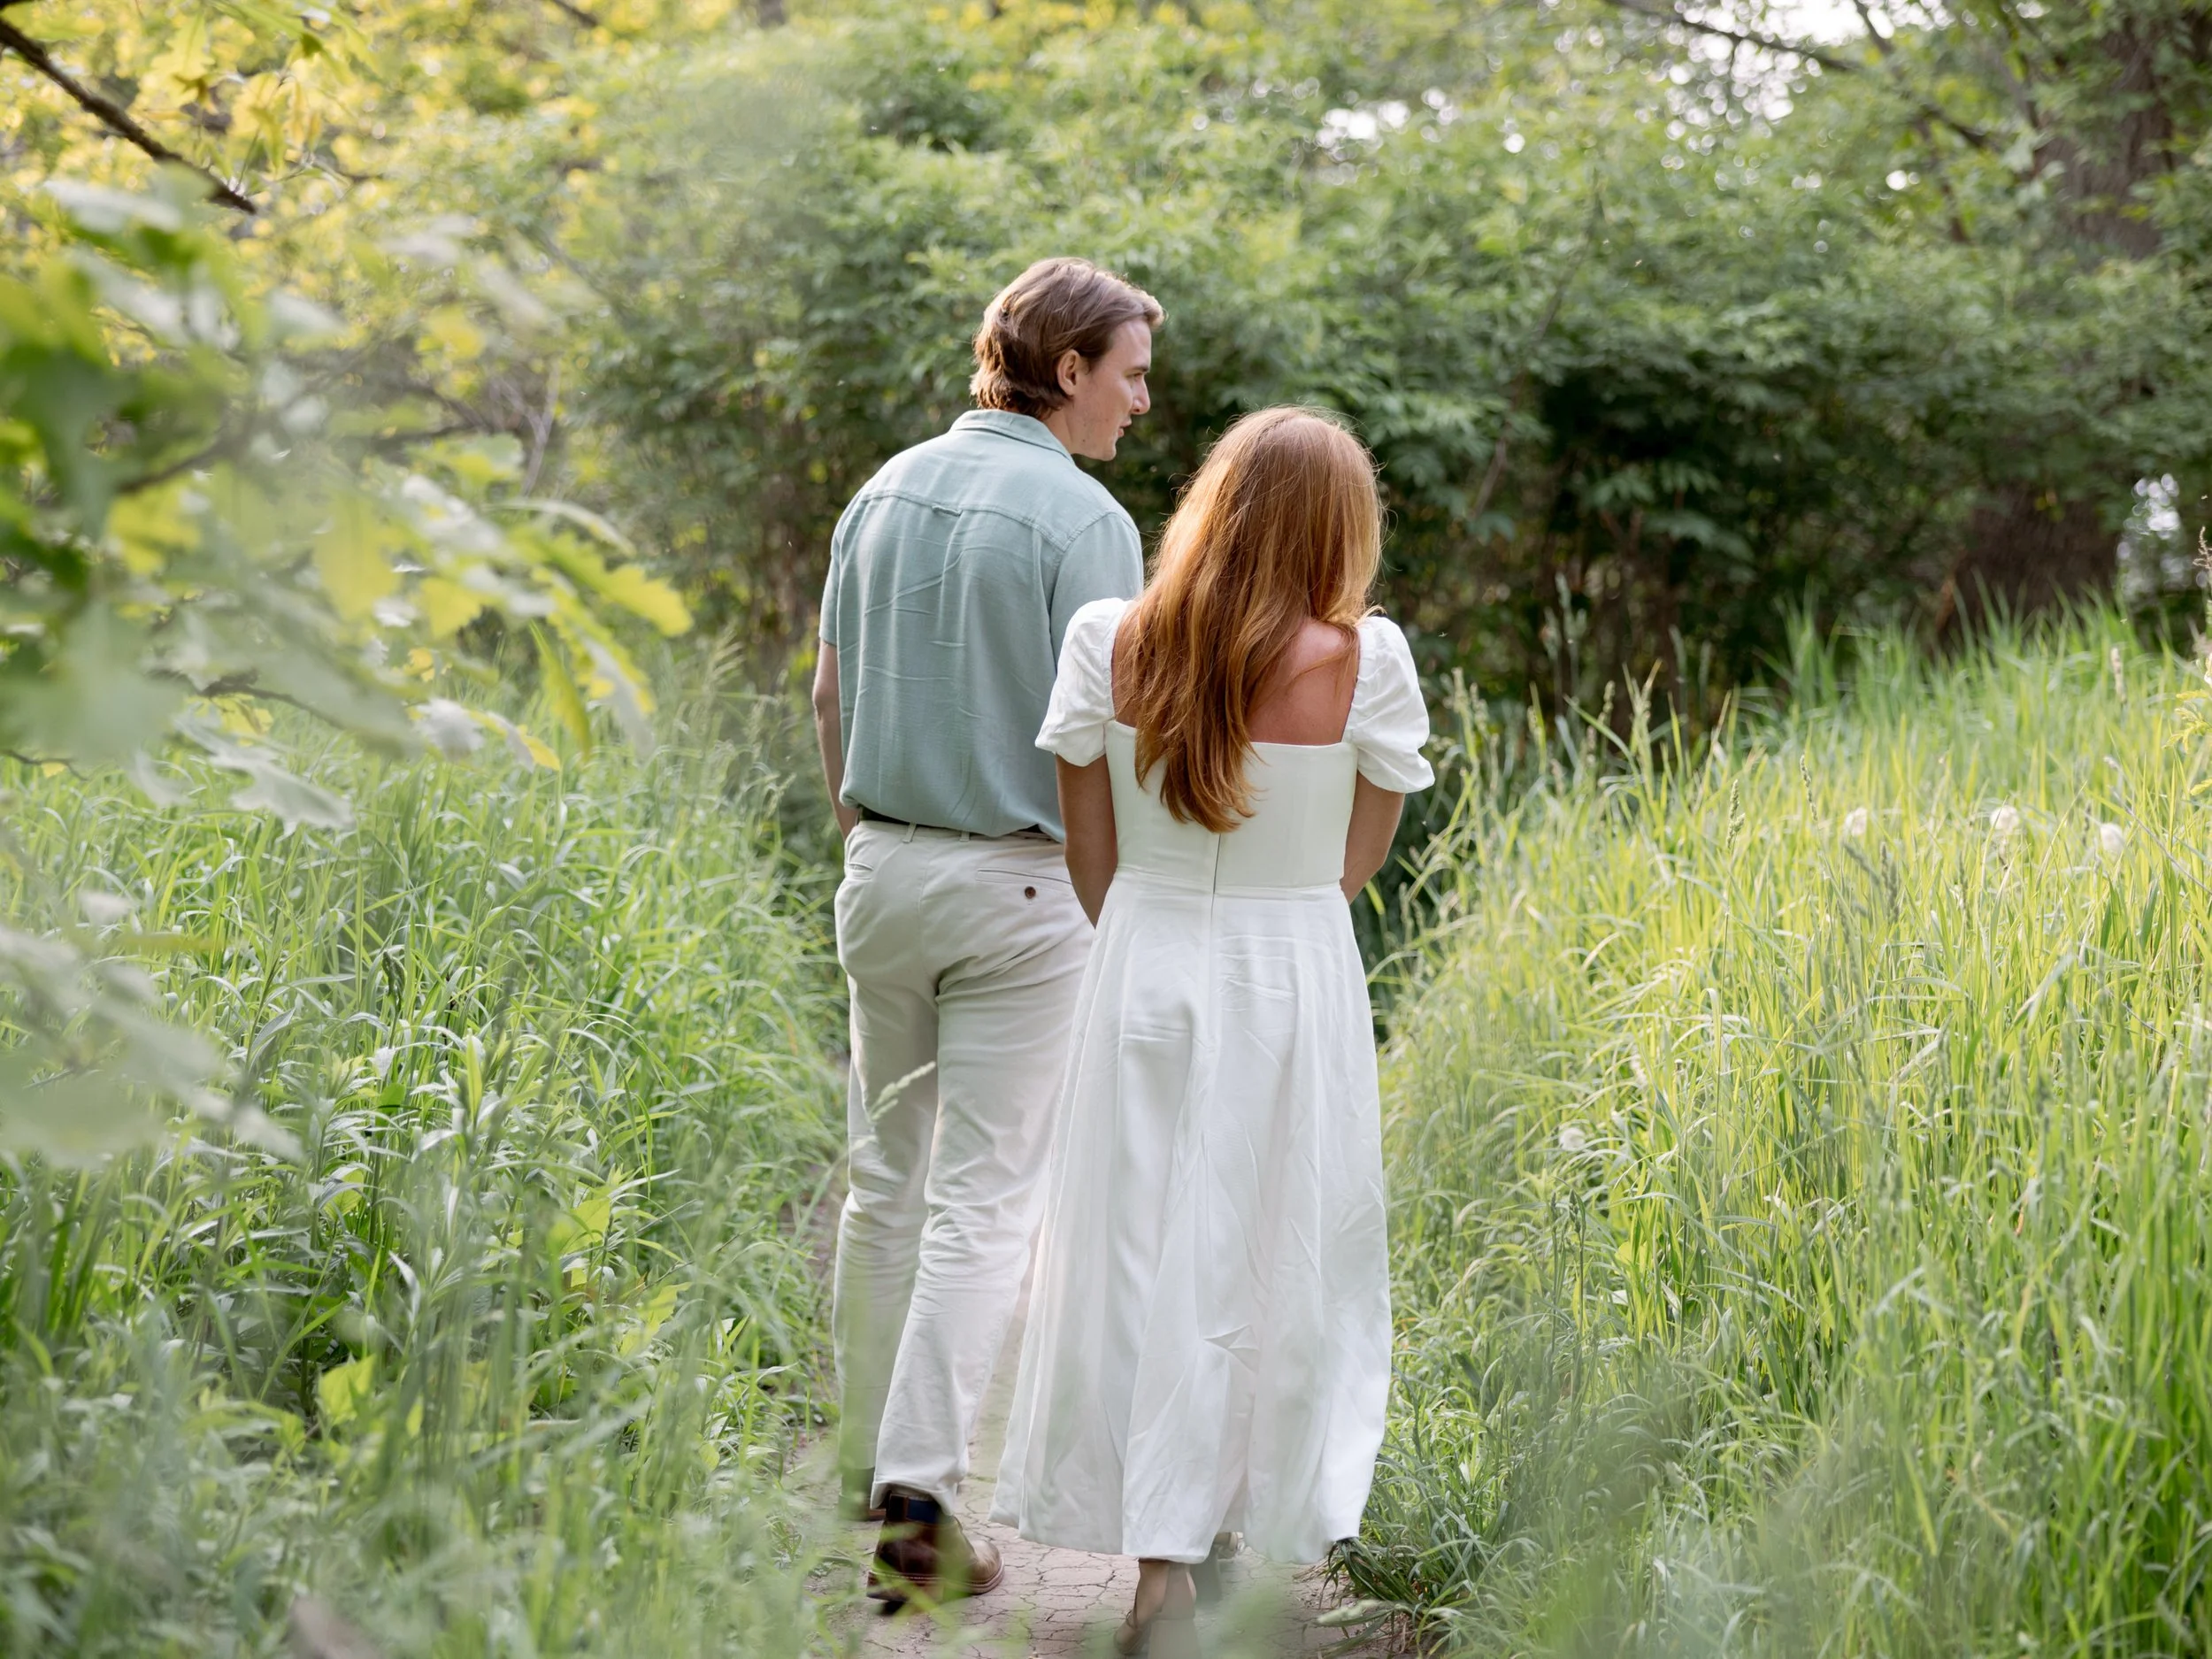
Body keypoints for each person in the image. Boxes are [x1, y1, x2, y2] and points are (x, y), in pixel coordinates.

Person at [990, 408, 1432, 1655]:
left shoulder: (1110, 639)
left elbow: (1091, 851)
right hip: (1294, 963)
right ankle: (1228, 1515)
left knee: (1137, 1245)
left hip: (1144, 952)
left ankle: (1160, 1556)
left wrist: (1156, 932)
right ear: (1339, 527)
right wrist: (1269, 933)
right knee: (1273, 1240)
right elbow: (1356, 860)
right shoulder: (1366, 660)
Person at [811, 256, 1164, 1607]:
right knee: (986, 1197)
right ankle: (922, 1502)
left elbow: (830, 687)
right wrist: (1117, 899)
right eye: (1129, 374)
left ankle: (869, 1464)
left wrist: (866, 835)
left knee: (885, 1178)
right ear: (1067, 369)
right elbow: (1111, 743)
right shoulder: (1086, 523)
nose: (1142, 402)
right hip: (1022, 887)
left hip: (883, 864)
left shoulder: (880, 487)